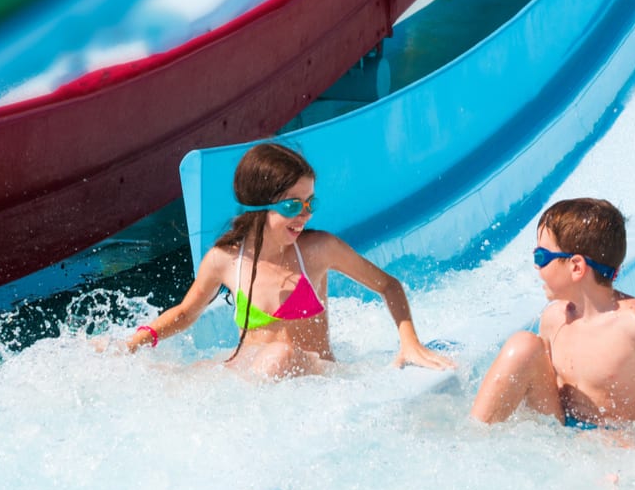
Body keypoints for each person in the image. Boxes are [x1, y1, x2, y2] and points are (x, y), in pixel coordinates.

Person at [125, 141, 454, 379]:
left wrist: (410, 343)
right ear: (258, 206)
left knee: (278, 355)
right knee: (170, 378)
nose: (305, 216)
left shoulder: (318, 250)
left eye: (310, 203)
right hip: (249, 375)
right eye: (292, 206)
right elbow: (185, 313)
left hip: (314, 376)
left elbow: (388, 285)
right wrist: (139, 340)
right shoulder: (224, 260)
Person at [471, 197, 635, 428]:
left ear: (576, 267)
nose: (536, 266)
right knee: (523, 346)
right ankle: (473, 438)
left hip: (613, 448)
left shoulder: (634, 326)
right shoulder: (554, 318)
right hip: (561, 435)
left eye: (541, 257)